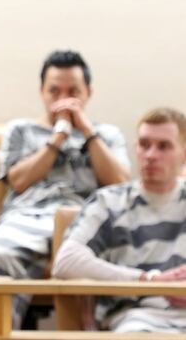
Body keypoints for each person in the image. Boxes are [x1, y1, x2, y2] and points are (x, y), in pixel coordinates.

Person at [0, 50, 131, 329]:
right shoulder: (20, 130)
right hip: (28, 217)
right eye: (54, 91)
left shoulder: (107, 134)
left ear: (88, 93)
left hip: (85, 218)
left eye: (73, 91)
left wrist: (85, 131)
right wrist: (58, 136)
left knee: (113, 258)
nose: (63, 100)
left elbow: (121, 184)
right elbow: (19, 181)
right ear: (41, 91)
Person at [53, 107, 186, 332]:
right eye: (144, 144)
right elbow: (66, 261)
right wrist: (147, 281)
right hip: (137, 320)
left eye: (164, 146)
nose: (151, 155)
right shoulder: (109, 202)